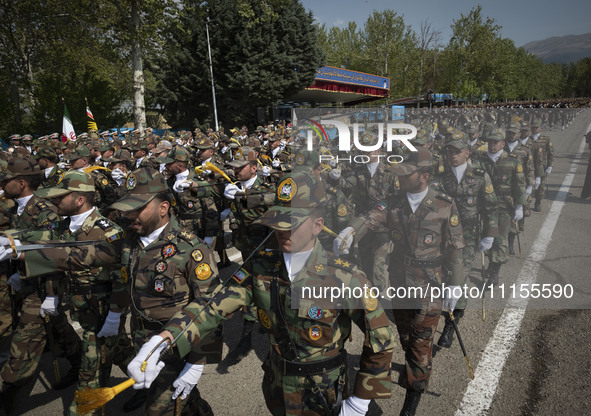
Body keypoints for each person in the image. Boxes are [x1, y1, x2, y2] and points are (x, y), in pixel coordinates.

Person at [128, 172, 395, 416]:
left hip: (323, 391)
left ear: (317, 225)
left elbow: (381, 338)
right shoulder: (261, 267)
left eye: (292, 223)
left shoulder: (344, 276)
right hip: (277, 387)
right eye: (278, 222)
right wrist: (163, 340)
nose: (282, 231)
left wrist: (360, 401)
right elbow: (212, 306)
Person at [334, 149, 465, 416]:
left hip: (430, 287)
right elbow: (370, 219)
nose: (399, 179)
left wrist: (456, 284)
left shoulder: (444, 205)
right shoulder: (393, 202)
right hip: (400, 286)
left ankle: (411, 402)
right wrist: (350, 232)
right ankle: (418, 361)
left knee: (418, 347)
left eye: (407, 174)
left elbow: (455, 248)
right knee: (406, 338)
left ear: (424, 177)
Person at [11, 171, 129, 416]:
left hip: (102, 315)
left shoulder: (108, 232)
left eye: (60, 197)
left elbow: (122, 279)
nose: (54, 201)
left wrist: (115, 315)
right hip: (81, 310)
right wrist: (10, 243)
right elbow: (53, 255)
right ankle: (156, 381)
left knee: (89, 381)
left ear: (79, 200)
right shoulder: (63, 225)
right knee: (120, 351)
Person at [108, 167, 220, 415]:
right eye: (128, 208)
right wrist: (115, 314)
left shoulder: (190, 248)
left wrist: (196, 362)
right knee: (183, 402)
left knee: (160, 410)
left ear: (163, 208)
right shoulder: (130, 242)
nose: (130, 215)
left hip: (176, 345)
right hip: (142, 339)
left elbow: (210, 305)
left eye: (139, 208)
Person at [0, 158, 81, 414]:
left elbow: (54, 255)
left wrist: (52, 295)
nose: (2, 185)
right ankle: (79, 361)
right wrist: (18, 272)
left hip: (45, 287)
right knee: (57, 329)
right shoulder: (16, 209)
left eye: (6, 181)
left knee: (23, 342)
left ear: (21, 183)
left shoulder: (46, 210)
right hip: (27, 281)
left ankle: (7, 397)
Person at [434, 132, 498, 348]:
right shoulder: (440, 177)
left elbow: (490, 206)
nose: (453, 155)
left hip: (468, 236)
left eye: (458, 151)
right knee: (441, 277)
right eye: (450, 151)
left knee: (459, 279)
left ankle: (450, 324)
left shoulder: (479, 176)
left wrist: (490, 234)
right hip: (443, 236)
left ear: (467, 153)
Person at [476, 129, 526, 284]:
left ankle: (494, 272)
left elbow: (519, 185)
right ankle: (491, 263)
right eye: (490, 141)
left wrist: (519, 206)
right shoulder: (479, 160)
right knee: (486, 236)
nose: (492, 145)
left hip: (504, 207)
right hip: (483, 207)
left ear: (503, 143)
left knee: (500, 239)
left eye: (496, 142)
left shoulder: (512, 161)